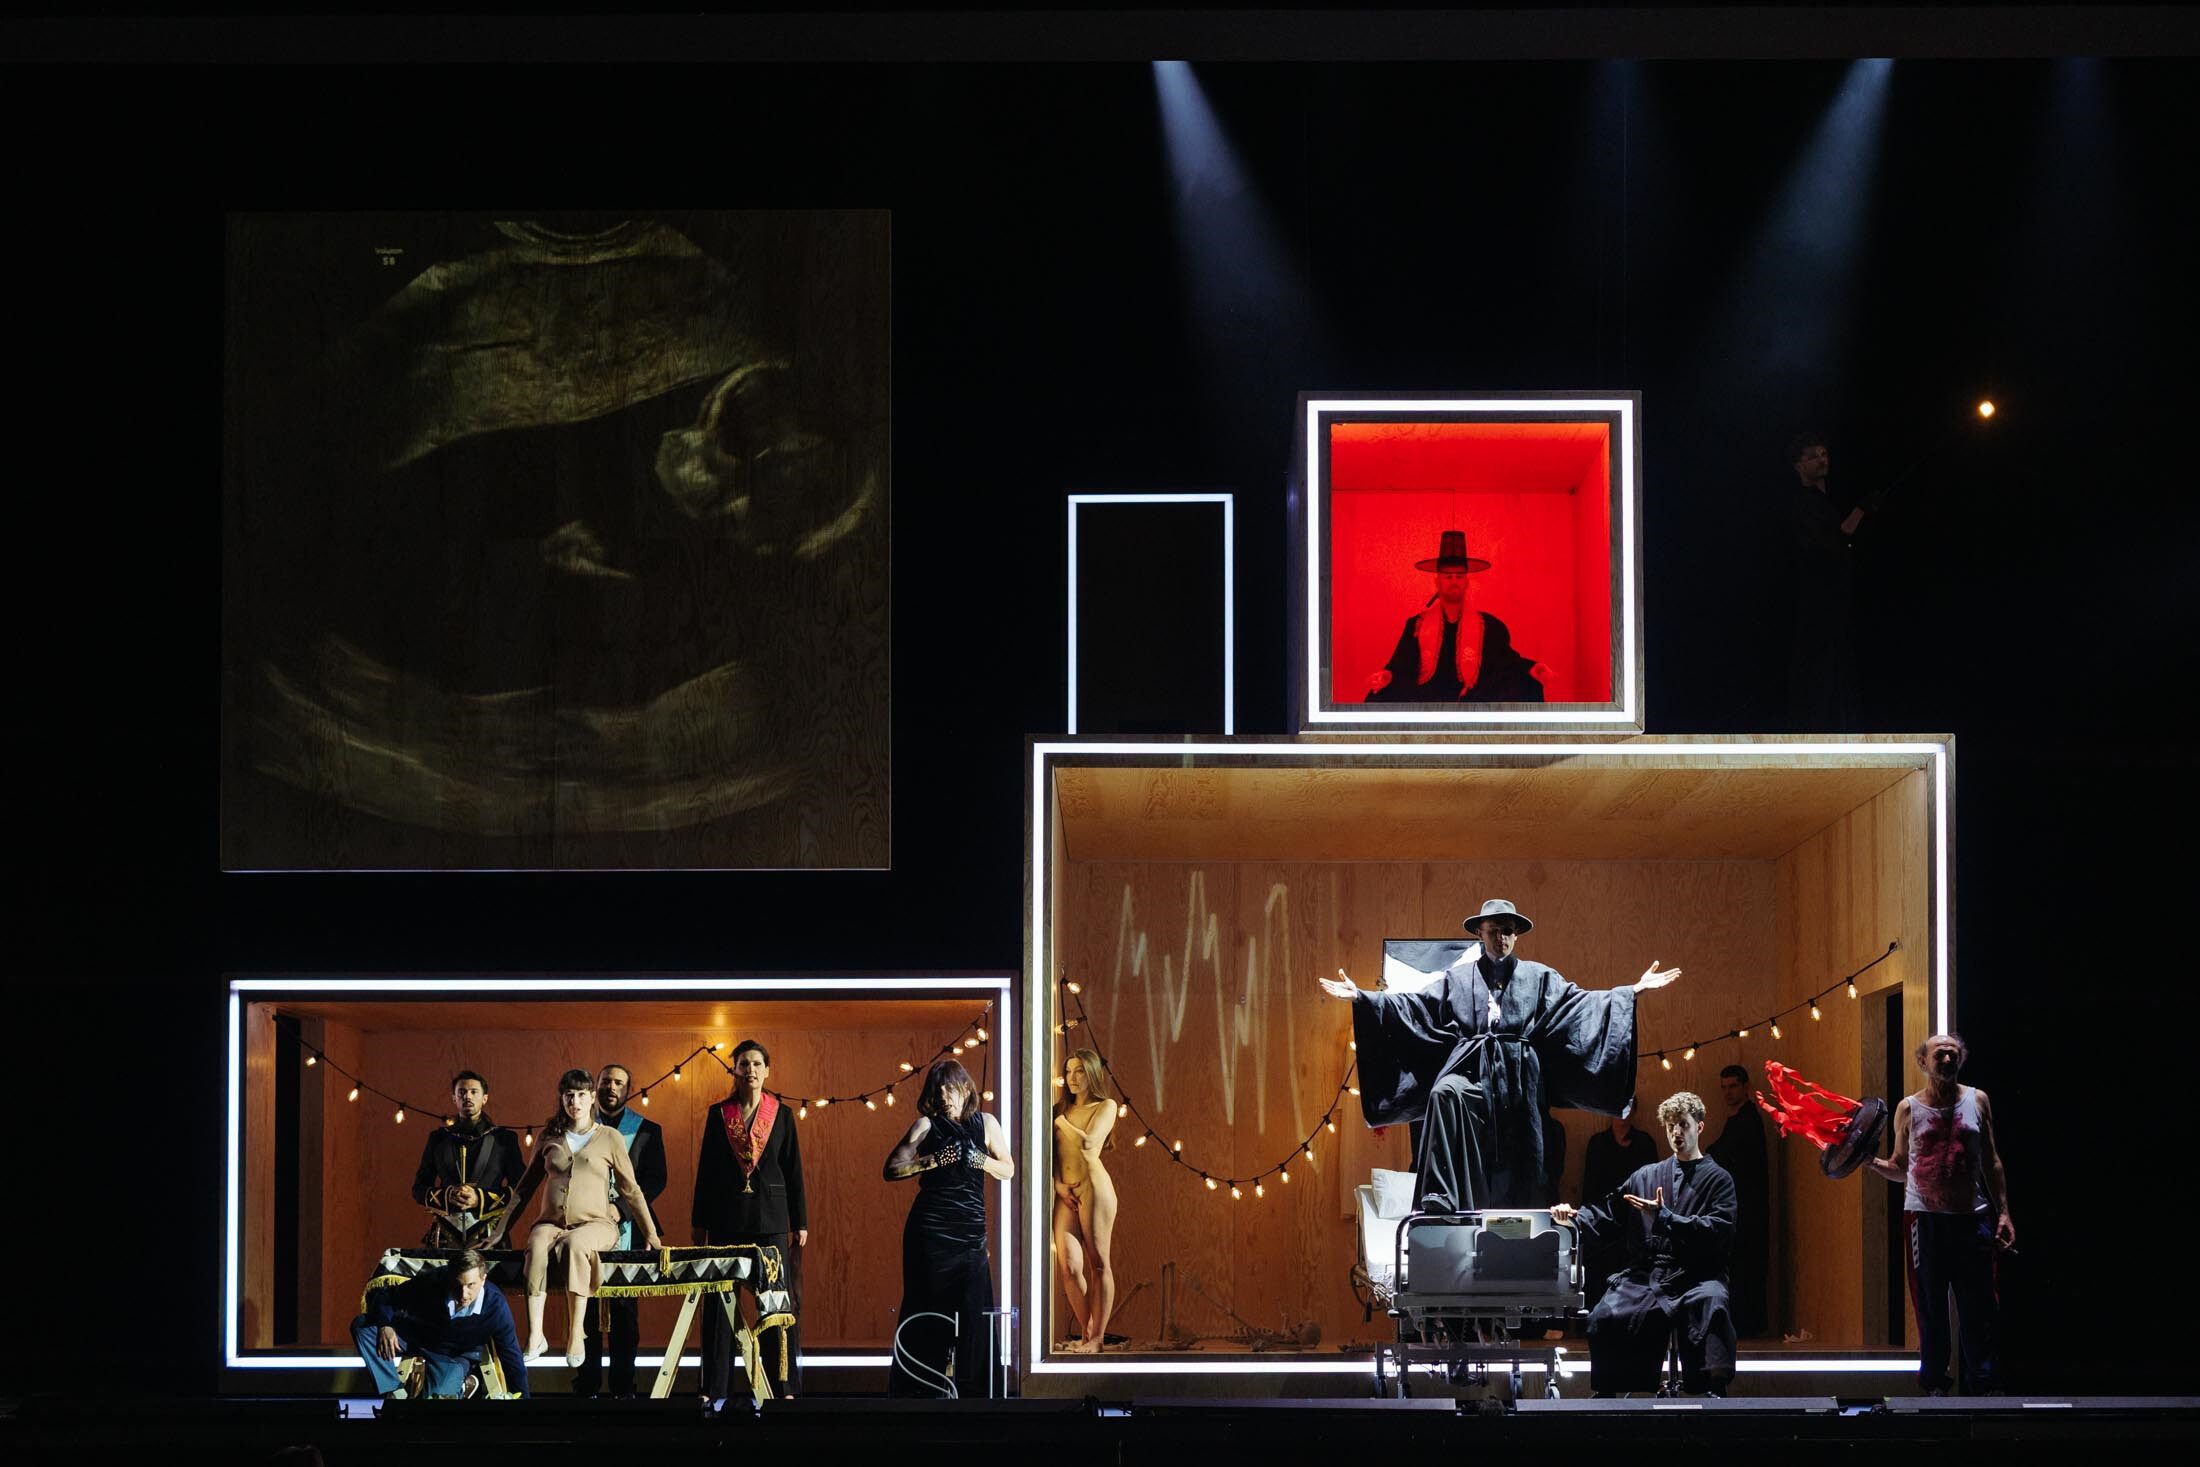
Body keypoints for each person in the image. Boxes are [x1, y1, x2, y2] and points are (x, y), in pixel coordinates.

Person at [1321, 898, 1679, 1213]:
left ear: (1516, 935)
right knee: (1444, 1093)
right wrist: (1363, 998)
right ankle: (1441, 1194)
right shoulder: (1457, 978)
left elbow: (1580, 1003)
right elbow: (1416, 1006)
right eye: (1493, 931)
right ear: (1480, 933)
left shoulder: (1539, 976)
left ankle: (1525, 1209)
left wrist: (1631, 992)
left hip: (1520, 1073)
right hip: (1471, 1067)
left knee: (1525, 1138)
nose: (1501, 938)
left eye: (1507, 931)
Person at [1552, 1090, 1738, 1396]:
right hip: (1649, 1275)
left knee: (1712, 1305)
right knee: (1605, 1315)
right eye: (1671, 1126)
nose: (1676, 1132)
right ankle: (1610, 1394)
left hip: (1698, 1274)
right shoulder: (1646, 1176)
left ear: (1700, 1127)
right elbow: (1607, 1213)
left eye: (1683, 1124)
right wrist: (1571, 1219)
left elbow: (1718, 1229)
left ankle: (1711, 1390)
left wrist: (1666, 1218)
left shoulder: (1719, 1180)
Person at [1863, 1032, 2014, 1395]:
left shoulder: (1977, 1100)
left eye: (1952, 1054)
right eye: (1939, 1055)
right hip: (1924, 1219)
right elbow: (1901, 1167)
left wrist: (2004, 1213)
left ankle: (1984, 1385)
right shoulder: (1909, 1108)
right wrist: (1870, 1162)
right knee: (1929, 1305)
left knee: (1980, 1305)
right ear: (1923, 1062)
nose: (1946, 1060)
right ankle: (1934, 1385)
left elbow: (1991, 1161)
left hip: (1971, 1217)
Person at [499, 1067, 662, 1367]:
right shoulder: (549, 1136)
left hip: (597, 1224)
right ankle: (535, 1335)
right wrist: (499, 1231)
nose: (575, 1102)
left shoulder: (609, 1137)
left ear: (591, 1098)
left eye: (581, 1095)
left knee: (574, 1245)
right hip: (551, 1223)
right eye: (569, 1096)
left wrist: (650, 1233)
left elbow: (632, 1190)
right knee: (536, 1245)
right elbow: (523, 1190)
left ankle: (576, 1335)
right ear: (562, 1099)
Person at [884, 1058, 1015, 1397]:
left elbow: (1009, 1169)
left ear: (966, 1089)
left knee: (974, 1313)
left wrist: (981, 1160)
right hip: (931, 1232)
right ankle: (920, 1396)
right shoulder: (925, 1125)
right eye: (937, 1091)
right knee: (926, 1310)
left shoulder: (986, 1123)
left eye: (950, 1089)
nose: (944, 1097)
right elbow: (891, 1168)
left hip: (970, 1234)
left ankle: (976, 1399)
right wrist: (931, 1161)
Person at [692, 1039, 808, 1400]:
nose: (751, 1070)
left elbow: (793, 1169)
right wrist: (699, 1220)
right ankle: (714, 1387)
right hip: (725, 1218)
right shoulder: (719, 1114)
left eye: (757, 1063)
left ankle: (782, 1386)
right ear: (735, 1069)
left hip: (771, 1219)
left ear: (767, 1070)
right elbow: (706, 1171)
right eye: (744, 1063)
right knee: (718, 1306)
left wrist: (800, 1221)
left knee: (775, 1305)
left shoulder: (782, 1114)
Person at [1364, 531, 1548, 703]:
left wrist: (1531, 668)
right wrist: (1386, 676)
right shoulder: (1417, 625)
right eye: (1447, 576)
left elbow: (1507, 663)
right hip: (1428, 696)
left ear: (1466, 582)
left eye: (1459, 577)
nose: (1454, 581)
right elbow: (1400, 667)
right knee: (1380, 693)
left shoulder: (1490, 626)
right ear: (1437, 582)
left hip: (1473, 695)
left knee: (1526, 682)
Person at [573, 1062, 666, 1397]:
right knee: (585, 1309)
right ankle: (586, 1387)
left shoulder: (647, 1130)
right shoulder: (577, 1126)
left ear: (629, 1090)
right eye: (605, 1082)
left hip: (630, 1231)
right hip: (584, 1227)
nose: (611, 1087)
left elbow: (655, 1180)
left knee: (625, 1315)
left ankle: (624, 1389)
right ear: (594, 1087)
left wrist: (622, 1209)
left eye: (618, 1083)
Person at [352, 1247, 530, 1400]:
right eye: (457, 1285)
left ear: (483, 1279)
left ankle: (461, 1385)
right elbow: (386, 1296)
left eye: (471, 1285)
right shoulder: (434, 1280)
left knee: (436, 1401)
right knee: (363, 1326)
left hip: (453, 1355)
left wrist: (524, 1403)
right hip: (419, 1337)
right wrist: (385, 1325)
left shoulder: (495, 1306)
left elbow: (511, 1355)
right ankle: (394, 1393)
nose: (463, 1294)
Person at [1785, 431, 1863, 729]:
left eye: (1823, 454)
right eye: (1813, 456)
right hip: (1818, 605)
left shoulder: (1827, 502)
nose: (1821, 460)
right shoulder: (1803, 505)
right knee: (1818, 670)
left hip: (1839, 601)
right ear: (1799, 465)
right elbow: (1829, 542)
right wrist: (1860, 513)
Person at [409, 1071, 525, 1248]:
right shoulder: (438, 1139)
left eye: (473, 1092)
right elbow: (419, 1189)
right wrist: (448, 1196)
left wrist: (480, 1199)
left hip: (489, 1237)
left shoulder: (504, 1139)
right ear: (454, 1099)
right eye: (462, 1092)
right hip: (444, 1237)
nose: (467, 1097)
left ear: (484, 1098)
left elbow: (521, 1188)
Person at [1052, 1048, 1119, 1353]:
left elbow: (1089, 1144)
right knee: (1068, 1265)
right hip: (1066, 1190)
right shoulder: (1058, 1109)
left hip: (1095, 1187)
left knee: (1098, 1263)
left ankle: (1097, 1338)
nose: (1072, 1078)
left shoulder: (1106, 1106)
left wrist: (1061, 1122)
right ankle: (1086, 1331)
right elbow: (1052, 1155)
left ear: (1091, 1073)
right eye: (1068, 1071)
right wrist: (1058, 1185)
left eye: (1079, 1071)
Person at [1707, 1062, 1771, 1337]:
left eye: (1733, 1086)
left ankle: (1746, 1327)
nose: (1728, 1092)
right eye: (1724, 1087)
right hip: (1741, 1208)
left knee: (1745, 1269)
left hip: (1748, 1210)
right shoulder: (1739, 1119)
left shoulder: (1747, 1121)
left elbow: (1723, 1153)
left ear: (1746, 1087)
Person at [1579, 1098, 1660, 1310]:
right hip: (1603, 1218)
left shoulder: (1644, 1143)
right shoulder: (1598, 1143)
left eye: (1629, 1106)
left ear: (1635, 1111)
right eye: (1619, 1106)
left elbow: (1652, 1185)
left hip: (1635, 1221)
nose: (1623, 1112)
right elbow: (1589, 1187)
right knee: (1600, 1277)